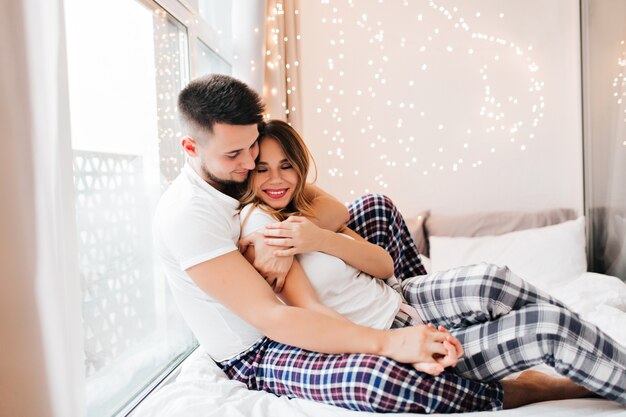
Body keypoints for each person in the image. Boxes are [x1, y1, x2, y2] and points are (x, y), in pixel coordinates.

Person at [154, 73, 597, 414]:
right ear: (190, 146)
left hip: (304, 294)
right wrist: (386, 344)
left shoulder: (248, 167)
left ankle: (415, 305)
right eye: (236, 155)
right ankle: (514, 388)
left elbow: (332, 206)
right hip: (262, 345)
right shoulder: (187, 216)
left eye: (253, 146)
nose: (251, 163)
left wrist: (290, 237)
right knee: (375, 380)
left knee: (375, 206)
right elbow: (274, 316)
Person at [238, 118, 626, 406]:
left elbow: (383, 265)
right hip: (390, 335)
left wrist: (320, 237)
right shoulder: (260, 229)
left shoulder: (304, 207)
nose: (277, 178)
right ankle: (588, 360)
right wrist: (396, 346)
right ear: (247, 173)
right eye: (263, 169)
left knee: (493, 280)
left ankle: (593, 350)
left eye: (286, 165)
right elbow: (311, 310)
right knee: (546, 329)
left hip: (400, 298)